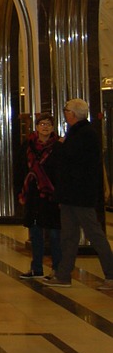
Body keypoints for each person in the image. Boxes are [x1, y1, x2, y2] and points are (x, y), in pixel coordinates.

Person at [45, 99, 113, 289]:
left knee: (95, 234)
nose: (65, 113)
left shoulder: (85, 134)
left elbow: (70, 159)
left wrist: (59, 145)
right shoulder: (76, 133)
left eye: (66, 110)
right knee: (69, 236)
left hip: (80, 196)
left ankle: (111, 274)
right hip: (69, 195)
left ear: (72, 114)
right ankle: (64, 274)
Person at [16, 113, 62, 278]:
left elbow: (62, 172)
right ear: (36, 127)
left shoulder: (58, 146)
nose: (45, 127)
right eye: (42, 124)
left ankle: (57, 268)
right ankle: (37, 267)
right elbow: (20, 169)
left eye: (48, 124)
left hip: (52, 196)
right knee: (35, 232)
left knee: (55, 233)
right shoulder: (27, 146)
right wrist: (21, 191)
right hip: (33, 195)